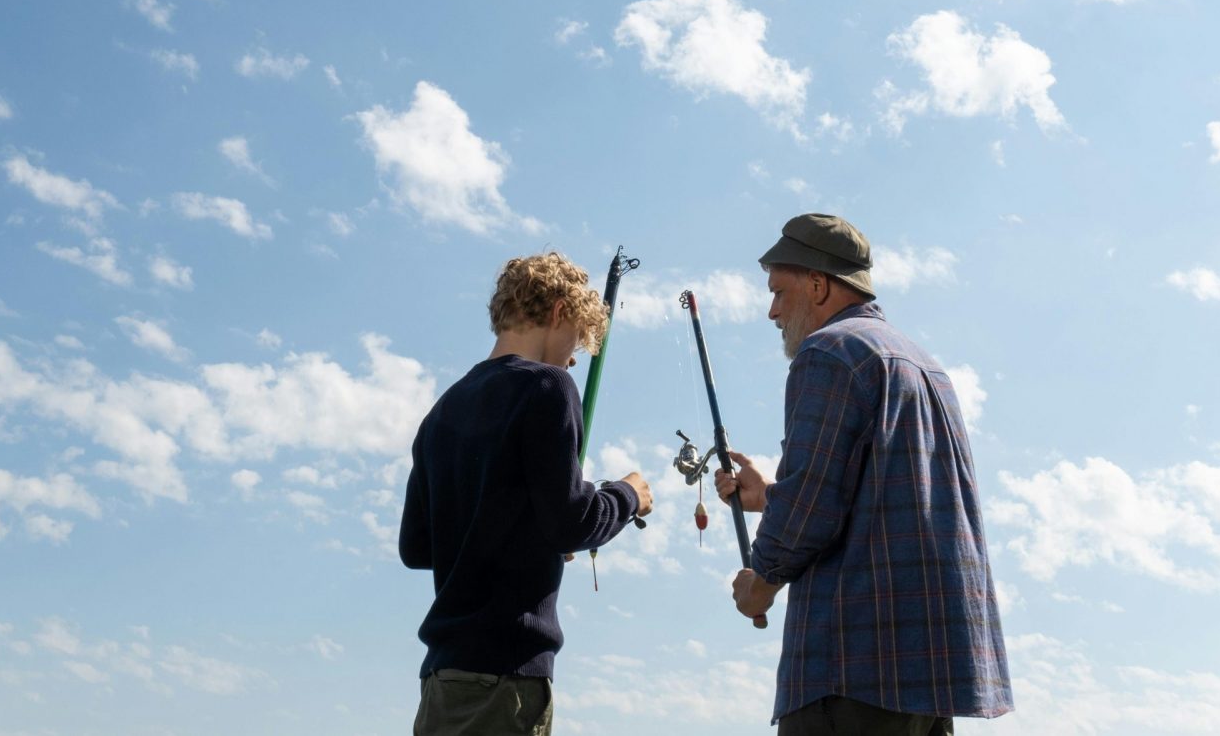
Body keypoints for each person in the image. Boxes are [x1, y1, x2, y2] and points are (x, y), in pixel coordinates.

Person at [716, 214, 1013, 734]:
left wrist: (760, 583)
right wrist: (769, 497)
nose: (772, 311)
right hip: (933, 675)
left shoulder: (828, 352)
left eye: (779, 292)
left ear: (818, 284)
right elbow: (876, 490)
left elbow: (811, 503)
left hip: (853, 667)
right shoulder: (925, 366)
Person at [400, 251, 653, 736]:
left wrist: (534, 532)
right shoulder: (549, 386)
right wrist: (627, 495)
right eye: (577, 338)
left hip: (441, 681)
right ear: (559, 311)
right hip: (505, 680)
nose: (574, 358)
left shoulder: (441, 411)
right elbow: (572, 523)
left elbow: (416, 547)